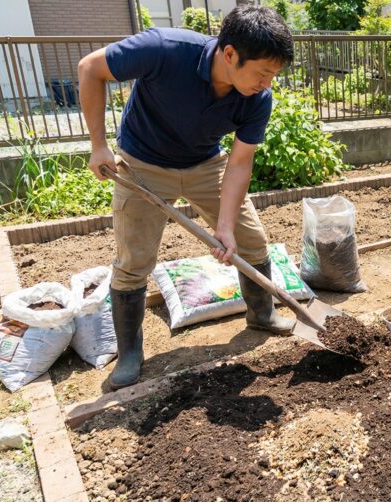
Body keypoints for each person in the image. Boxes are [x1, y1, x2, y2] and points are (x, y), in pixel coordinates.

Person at [77, 5, 296, 389]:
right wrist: (98, 145)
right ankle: (130, 354)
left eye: (273, 75)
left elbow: (240, 163)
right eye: (262, 72)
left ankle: (262, 314)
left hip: (205, 164)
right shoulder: (164, 49)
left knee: (250, 240)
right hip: (143, 165)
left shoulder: (257, 98)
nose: (267, 83)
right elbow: (90, 69)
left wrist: (225, 226)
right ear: (230, 54)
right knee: (134, 261)